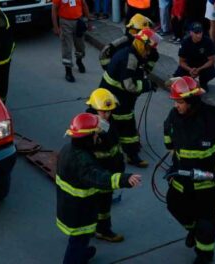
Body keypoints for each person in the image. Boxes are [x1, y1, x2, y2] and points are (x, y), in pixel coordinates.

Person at [163, 76, 215, 264]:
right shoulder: (174, 116)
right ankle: (193, 229)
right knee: (174, 206)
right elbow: (168, 134)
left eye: (180, 102)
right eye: (175, 101)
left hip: (208, 183)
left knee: (206, 221)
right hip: (181, 178)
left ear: (191, 101)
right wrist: (170, 147)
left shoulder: (214, 117)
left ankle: (204, 255)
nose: (176, 106)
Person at [57, 113, 142, 264]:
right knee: (78, 241)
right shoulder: (83, 161)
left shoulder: (67, 150)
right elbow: (99, 178)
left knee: (79, 239)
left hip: (69, 207)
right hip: (80, 212)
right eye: (96, 134)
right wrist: (124, 179)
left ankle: (82, 254)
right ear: (87, 137)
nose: (98, 137)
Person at [99, 28, 161, 168]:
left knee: (115, 124)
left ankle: (126, 152)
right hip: (117, 98)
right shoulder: (130, 58)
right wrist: (147, 85)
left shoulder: (133, 54)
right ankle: (131, 155)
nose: (149, 52)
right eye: (148, 48)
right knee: (126, 126)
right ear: (141, 45)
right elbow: (129, 85)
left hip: (115, 96)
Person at [85, 88, 126, 243]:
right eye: (103, 112)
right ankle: (102, 230)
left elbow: (115, 147)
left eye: (109, 112)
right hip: (98, 174)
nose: (107, 115)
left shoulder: (110, 122)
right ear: (94, 109)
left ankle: (98, 228)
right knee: (99, 204)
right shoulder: (90, 128)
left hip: (109, 170)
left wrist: (120, 165)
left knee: (104, 203)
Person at [52, 0, 91, 82]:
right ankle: (68, 71)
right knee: (67, 48)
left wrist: (89, 21)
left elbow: (84, 5)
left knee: (80, 46)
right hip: (65, 22)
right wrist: (56, 27)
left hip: (78, 21)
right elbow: (54, 9)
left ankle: (79, 61)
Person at [173, 22, 215, 91]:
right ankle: (188, 82)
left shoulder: (208, 41)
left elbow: (211, 60)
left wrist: (199, 69)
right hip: (189, 64)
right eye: (196, 33)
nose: (199, 35)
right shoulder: (185, 42)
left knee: (211, 73)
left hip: (202, 65)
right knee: (177, 76)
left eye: (200, 32)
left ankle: (203, 82)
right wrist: (190, 69)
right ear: (191, 33)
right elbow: (181, 61)